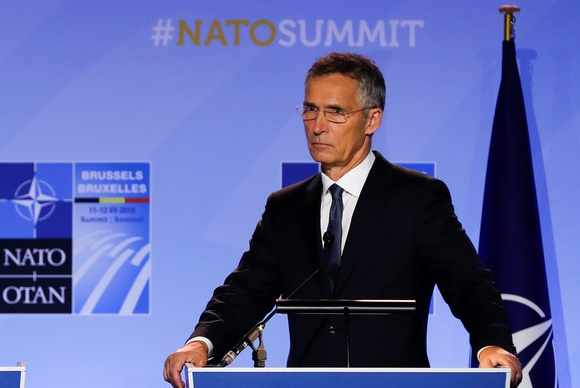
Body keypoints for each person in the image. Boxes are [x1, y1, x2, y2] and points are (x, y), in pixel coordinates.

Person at [164, 52, 522, 387]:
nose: (318, 126)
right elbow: (245, 291)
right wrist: (202, 342)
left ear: (372, 119)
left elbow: (469, 282)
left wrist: (491, 343)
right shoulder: (285, 208)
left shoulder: (416, 198)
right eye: (310, 109)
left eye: (335, 112)